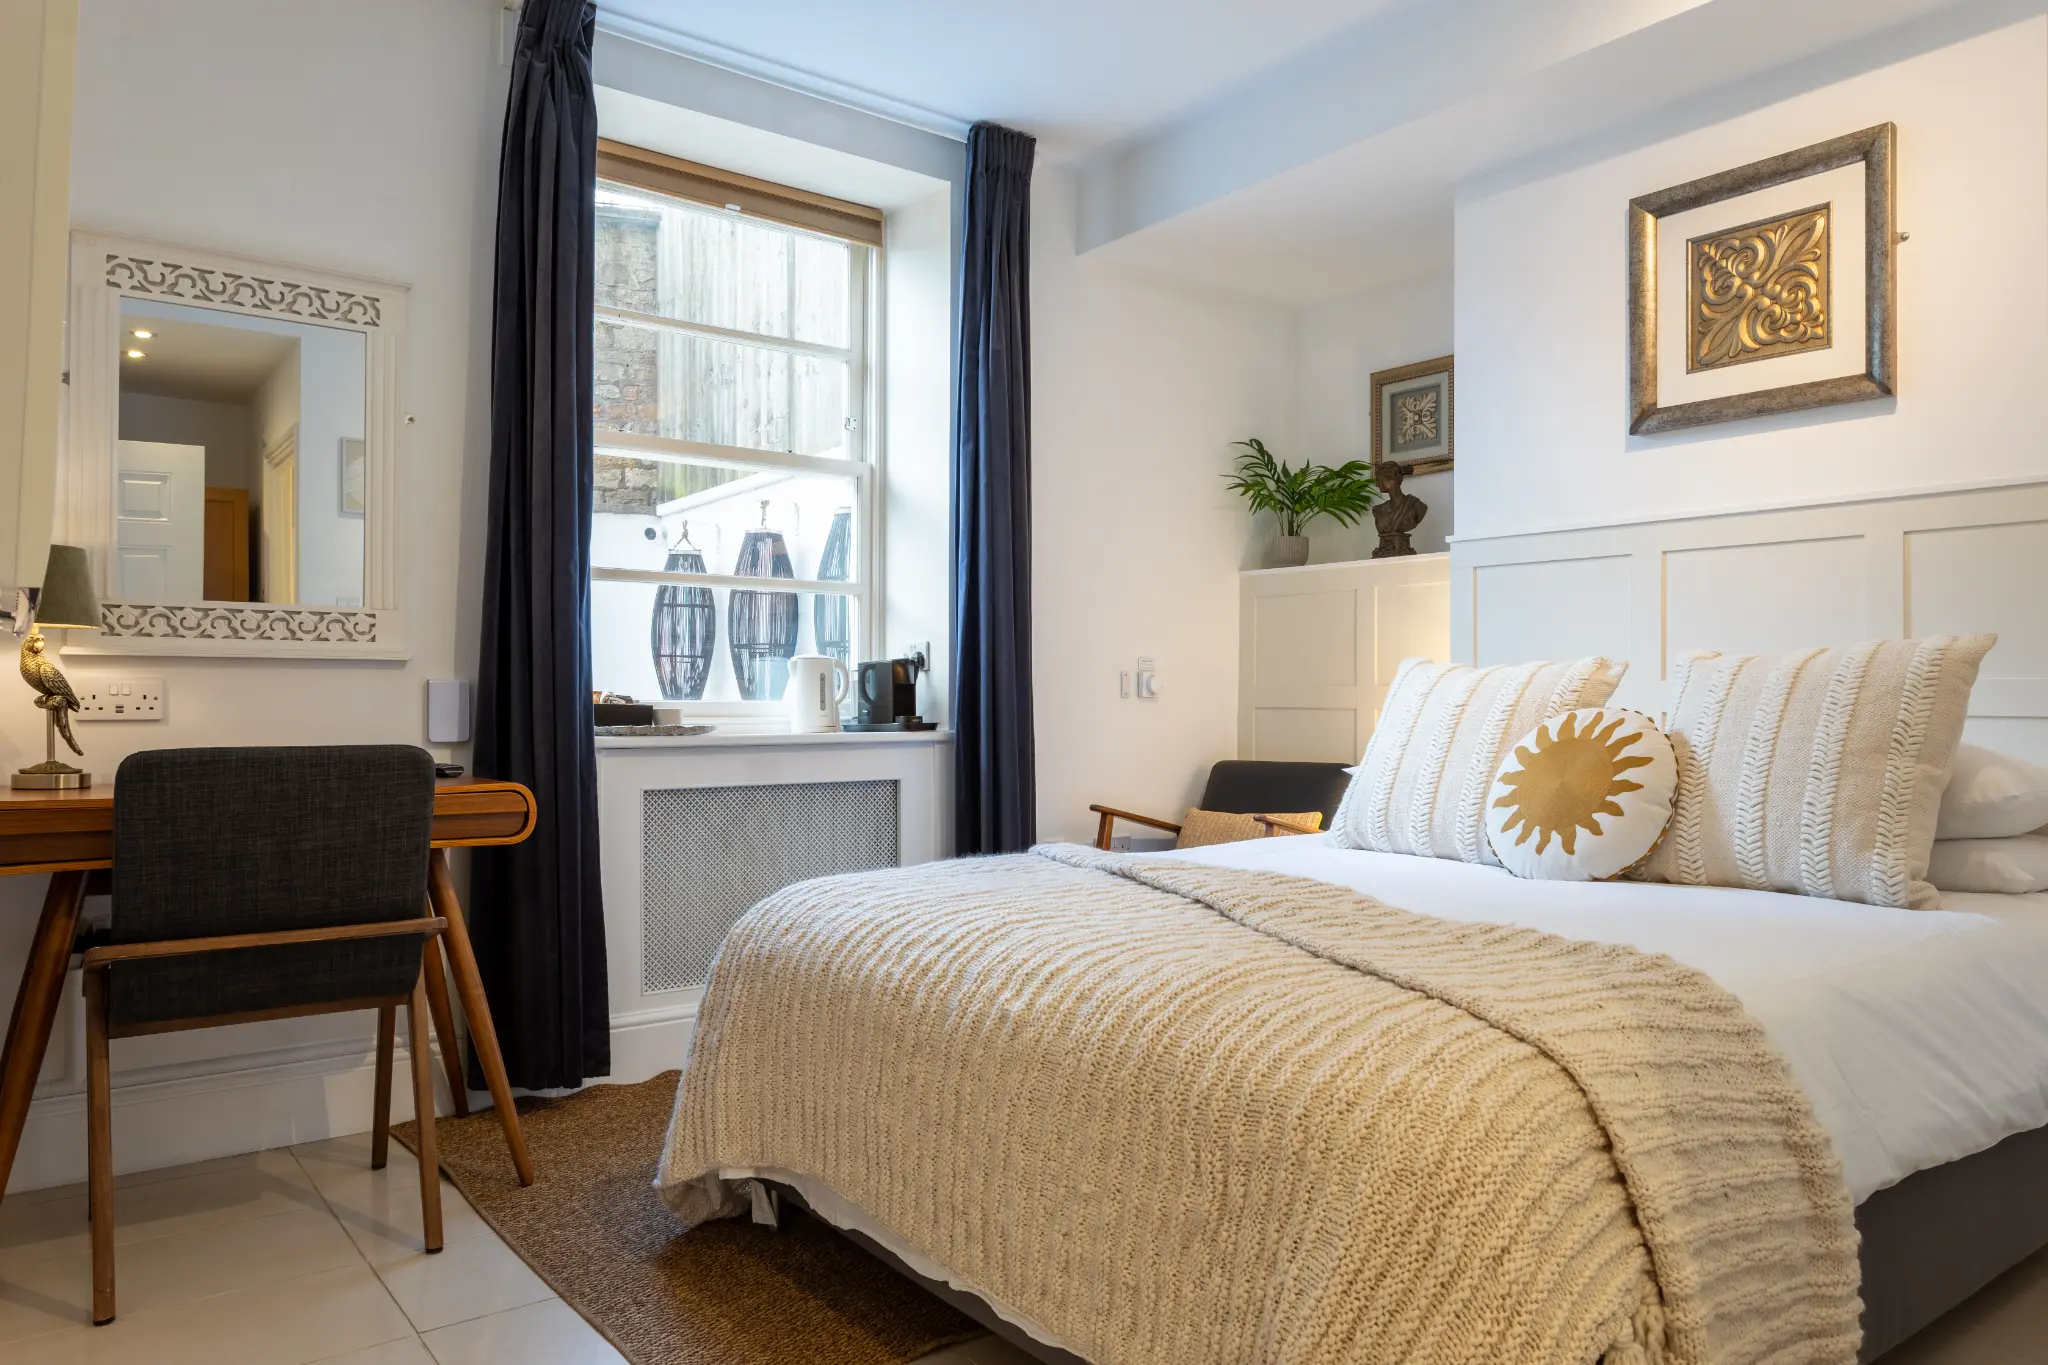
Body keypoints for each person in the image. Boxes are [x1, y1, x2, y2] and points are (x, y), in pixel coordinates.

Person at [1371, 459, 1427, 558]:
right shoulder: (1378, 510)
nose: (1377, 484)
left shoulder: (1417, 506)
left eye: (1378, 480)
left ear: (1390, 477)